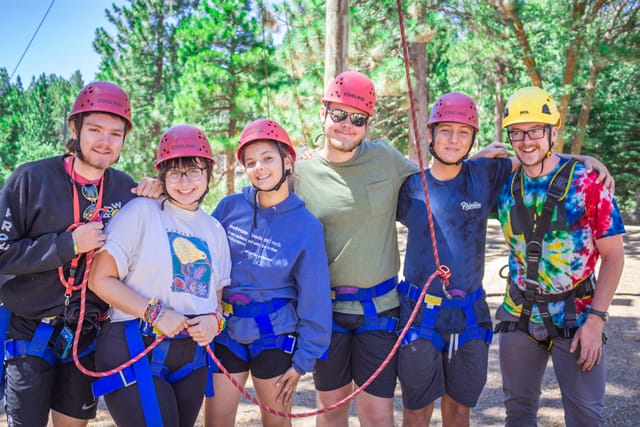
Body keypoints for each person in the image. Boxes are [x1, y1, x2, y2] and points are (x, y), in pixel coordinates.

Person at [0, 81, 161, 427]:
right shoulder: (30, 180)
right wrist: (67, 245)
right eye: (95, 130)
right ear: (74, 129)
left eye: (115, 134)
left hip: (88, 334)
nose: (105, 141)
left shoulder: (125, 189)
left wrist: (160, 194)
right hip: (31, 331)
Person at [493, 86, 625, 427]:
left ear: (554, 131)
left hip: (578, 316)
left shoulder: (588, 182)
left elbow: (613, 257)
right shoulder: (504, 182)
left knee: (585, 416)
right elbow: (459, 168)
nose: (526, 141)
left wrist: (596, 320)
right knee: (518, 413)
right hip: (520, 312)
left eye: (536, 130)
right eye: (517, 133)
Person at [294, 71, 419, 427]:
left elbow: (440, 183)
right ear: (324, 113)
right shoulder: (299, 172)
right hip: (325, 312)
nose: (347, 125)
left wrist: (490, 163)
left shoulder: (386, 159)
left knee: (377, 416)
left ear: (367, 124)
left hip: (378, 310)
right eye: (339, 114)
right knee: (331, 412)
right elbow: (255, 197)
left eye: (358, 118)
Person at [88, 124, 231, 426]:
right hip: (135, 346)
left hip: (191, 358)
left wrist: (214, 322)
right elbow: (100, 279)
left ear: (208, 173)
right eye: (175, 172)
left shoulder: (214, 230)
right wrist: (154, 312)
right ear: (162, 175)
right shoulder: (142, 211)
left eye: (193, 170)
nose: (185, 181)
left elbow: (217, 303)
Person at [396, 92, 515, 427]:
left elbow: (538, 159)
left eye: (464, 133)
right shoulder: (409, 188)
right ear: (430, 134)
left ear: (472, 139)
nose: (454, 139)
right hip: (420, 316)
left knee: (459, 410)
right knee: (417, 411)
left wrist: (586, 161)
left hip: (469, 316)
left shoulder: (484, 175)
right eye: (446, 130)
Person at [203, 119, 332, 427]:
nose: (259, 168)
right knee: (216, 422)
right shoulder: (229, 208)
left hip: (274, 334)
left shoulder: (306, 226)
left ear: (287, 161)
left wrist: (303, 361)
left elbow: (315, 298)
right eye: (250, 162)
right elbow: (197, 247)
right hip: (227, 329)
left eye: (267, 158)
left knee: (276, 423)